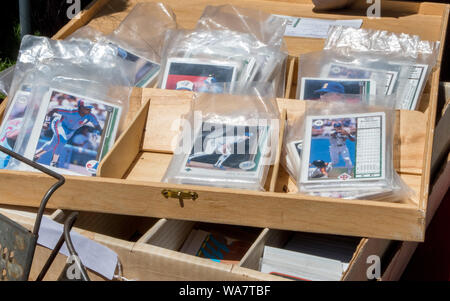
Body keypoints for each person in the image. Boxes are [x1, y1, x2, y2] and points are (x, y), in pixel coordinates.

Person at [33, 100, 102, 168]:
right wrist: (47, 122)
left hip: (71, 131)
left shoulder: (91, 116)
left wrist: (96, 132)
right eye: (87, 108)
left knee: (53, 144)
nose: (90, 110)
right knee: (62, 140)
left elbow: (97, 126)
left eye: (90, 108)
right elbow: (52, 110)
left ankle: (36, 155)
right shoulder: (71, 111)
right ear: (81, 107)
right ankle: (54, 162)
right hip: (59, 124)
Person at [188, 131, 253, 169]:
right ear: (245, 135)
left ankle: (217, 164)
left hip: (219, 143)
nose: (248, 137)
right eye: (247, 136)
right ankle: (190, 157)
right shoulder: (238, 138)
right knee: (207, 153)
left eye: (248, 137)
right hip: (214, 142)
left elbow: (227, 143)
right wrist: (225, 150)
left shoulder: (240, 139)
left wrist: (227, 149)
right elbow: (226, 144)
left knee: (227, 154)